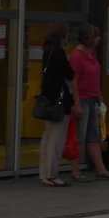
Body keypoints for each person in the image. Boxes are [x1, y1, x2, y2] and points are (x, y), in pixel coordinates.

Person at [69, 23, 109, 181]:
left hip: (92, 99)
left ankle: (101, 170)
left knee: (94, 136)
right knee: (79, 136)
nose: (99, 39)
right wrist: (77, 104)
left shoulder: (92, 53)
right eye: (96, 36)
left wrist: (99, 94)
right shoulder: (77, 56)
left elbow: (95, 75)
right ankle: (75, 171)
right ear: (88, 38)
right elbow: (73, 81)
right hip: (82, 99)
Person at [37, 22, 75, 187]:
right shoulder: (59, 51)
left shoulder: (47, 50)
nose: (68, 36)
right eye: (66, 33)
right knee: (56, 140)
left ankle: (44, 174)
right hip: (59, 101)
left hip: (48, 99)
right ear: (62, 35)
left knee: (47, 138)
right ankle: (52, 175)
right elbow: (70, 74)